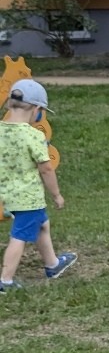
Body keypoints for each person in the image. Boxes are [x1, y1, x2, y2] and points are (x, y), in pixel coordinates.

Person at [0, 79, 76, 292]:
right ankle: (5, 281)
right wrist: (56, 194)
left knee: (42, 224)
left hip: (8, 195)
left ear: (9, 104)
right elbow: (46, 169)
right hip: (28, 198)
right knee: (19, 237)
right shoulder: (33, 136)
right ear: (37, 110)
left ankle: (53, 264)